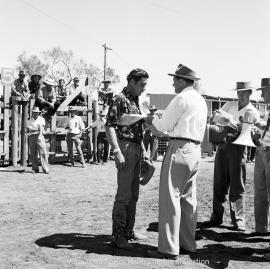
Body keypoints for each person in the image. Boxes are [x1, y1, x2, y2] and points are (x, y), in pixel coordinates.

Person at [144, 64, 207, 260]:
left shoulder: (181, 98)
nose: (173, 82)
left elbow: (164, 125)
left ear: (182, 81)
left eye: (175, 79)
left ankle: (168, 248)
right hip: (194, 150)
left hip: (179, 148)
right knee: (188, 200)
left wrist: (150, 119)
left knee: (170, 198)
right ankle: (188, 244)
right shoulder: (200, 100)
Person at [205, 82, 260, 231]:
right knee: (219, 182)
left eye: (243, 92)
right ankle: (217, 216)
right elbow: (215, 116)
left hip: (239, 147)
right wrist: (228, 121)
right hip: (223, 144)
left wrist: (234, 124)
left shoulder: (253, 111)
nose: (239, 95)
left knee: (237, 184)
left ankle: (239, 218)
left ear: (249, 93)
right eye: (238, 92)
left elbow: (255, 133)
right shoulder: (229, 104)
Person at [105, 68, 149, 249]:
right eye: (142, 84)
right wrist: (116, 150)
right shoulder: (119, 99)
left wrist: (144, 150)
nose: (144, 88)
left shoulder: (135, 100)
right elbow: (110, 125)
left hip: (136, 148)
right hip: (125, 148)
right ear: (131, 81)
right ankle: (117, 235)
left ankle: (128, 231)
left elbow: (138, 128)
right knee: (124, 195)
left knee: (134, 194)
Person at [254, 78, 270, 261]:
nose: (262, 94)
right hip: (264, 151)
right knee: (261, 192)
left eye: (264, 91)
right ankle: (262, 228)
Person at [27, 107, 49, 174]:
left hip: (40, 136)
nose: (35, 114)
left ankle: (45, 169)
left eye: (36, 113)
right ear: (32, 113)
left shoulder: (41, 119)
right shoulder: (29, 121)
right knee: (33, 153)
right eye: (34, 112)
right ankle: (35, 168)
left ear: (38, 113)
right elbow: (28, 130)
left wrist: (38, 133)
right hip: (31, 136)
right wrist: (34, 130)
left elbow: (41, 129)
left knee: (43, 153)